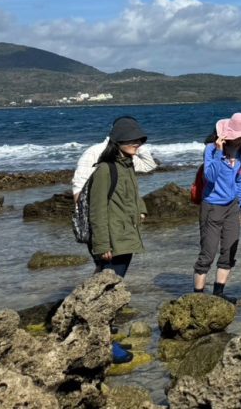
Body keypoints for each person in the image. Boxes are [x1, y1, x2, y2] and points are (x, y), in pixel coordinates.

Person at [86, 115, 148, 366]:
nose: (138, 144)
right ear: (119, 141)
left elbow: (133, 192)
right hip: (112, 241)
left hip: (126, 236)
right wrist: (102, 246)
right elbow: (96, 210)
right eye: (133, 140)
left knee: (113, 290)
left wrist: (141, 208)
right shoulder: (105, 169)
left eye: (140, 140)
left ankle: (104, 338)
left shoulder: (127, 164)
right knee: (106, 295)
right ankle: (105, 345)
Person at [192, 112, 241, 303]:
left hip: (232, 207)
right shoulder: (211, 149)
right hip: (211, 206)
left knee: (229, 250)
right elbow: (210, 177)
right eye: (240, 135)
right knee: (208, 253)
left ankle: (218, 294)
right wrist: (219, 152)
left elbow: (240, 180)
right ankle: (198, 298)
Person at [72, 117, 159, 201]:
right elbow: (79, 186)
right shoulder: (95, 151)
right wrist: (82, 212)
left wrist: (138, 146)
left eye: (138, 137)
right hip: (98, 210)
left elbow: (149, 166)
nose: (137, 141)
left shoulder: (126, 156)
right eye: (131, 136)